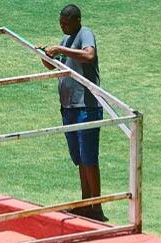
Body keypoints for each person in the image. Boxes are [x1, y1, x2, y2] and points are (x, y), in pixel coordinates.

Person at [41, 4, 107, 222]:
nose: (62, 26)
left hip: (86, 107)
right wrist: (46, 56)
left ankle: (96, 207)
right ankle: (86, 203)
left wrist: (60, 50)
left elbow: (89, 55)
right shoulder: (65, 40)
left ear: (77, 20)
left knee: (89, 157)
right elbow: (56, 66)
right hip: (68, 107)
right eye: (60, 22)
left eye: (66, 23)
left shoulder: (84, 33)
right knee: (79, 158)